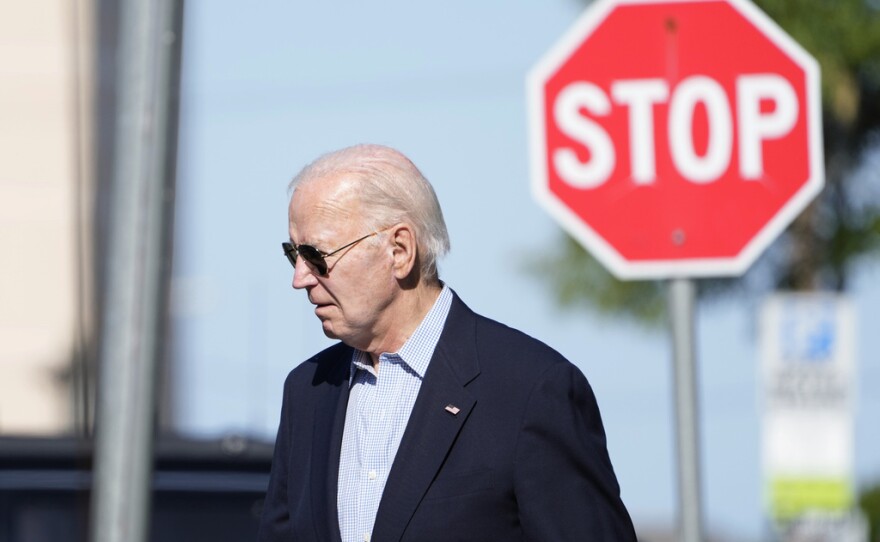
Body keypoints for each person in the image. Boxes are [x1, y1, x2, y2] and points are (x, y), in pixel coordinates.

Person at [259, 144, 637, 542]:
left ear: (399, 251)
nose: (300, 278)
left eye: (317, 255)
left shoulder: (530, 390)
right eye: (293, 254)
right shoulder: (309, 390)